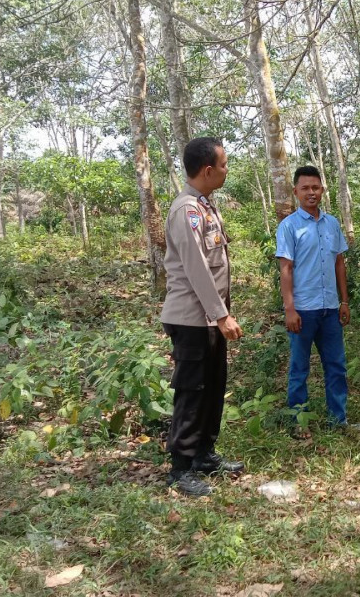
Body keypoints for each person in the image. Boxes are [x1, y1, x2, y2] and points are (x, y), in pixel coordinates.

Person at [160, 136, 245, 496]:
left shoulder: (205, 205)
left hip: (210, 317)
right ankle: (180, 468)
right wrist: (221, 315)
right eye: (224, 164)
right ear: (208, 170)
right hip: (192, 318)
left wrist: (221, 314)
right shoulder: (186, 211)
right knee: (192, 391)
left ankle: (204, 455)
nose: (227, 170)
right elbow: (196, 268)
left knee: (213, 387)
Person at [275, 165, 351, 438]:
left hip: (330, 309)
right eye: (305, 188)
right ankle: (299, 421)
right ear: (296, 191)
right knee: (299, 368)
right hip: (303, 311)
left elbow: (339, 263)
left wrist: (344, 301)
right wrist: (290, 309)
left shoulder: (331, 224)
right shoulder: (289, 227)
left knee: (336, 366)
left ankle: (338, 419)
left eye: (316, 188)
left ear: (322, 190)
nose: (311, 193)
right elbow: (286, 268)